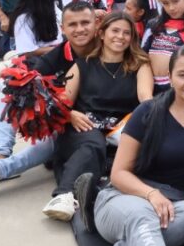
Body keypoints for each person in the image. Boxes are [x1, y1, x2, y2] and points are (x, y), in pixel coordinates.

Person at [66, 45, 184, 246]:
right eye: (182, 75)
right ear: (170, 77)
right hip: (124, 198)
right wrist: (151, 194)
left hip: (176, 204)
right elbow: (119, 174)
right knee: (142, 216)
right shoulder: (148, 112)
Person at [0, 3, 99, 195]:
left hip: (97, 121)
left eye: (85, 22)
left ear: (96, 24)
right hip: (67, 120)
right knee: (13, 88)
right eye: (73, 24)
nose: (80, 29)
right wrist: (66, 113)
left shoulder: (108, 48)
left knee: (52, 144)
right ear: (63, 28)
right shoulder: (55, 56)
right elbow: (29, 88)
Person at [46, 12, 153, 221]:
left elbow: (145, 97)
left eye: (126, 33)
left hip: (120, 131)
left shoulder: (140, 64)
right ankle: (64, 195)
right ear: (102, 34)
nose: (120, 36)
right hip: (83, 126)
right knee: (93, 144)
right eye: (115, 31)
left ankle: (92, 191)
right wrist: (70, 114)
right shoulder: (83, 64)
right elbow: (63, 101)